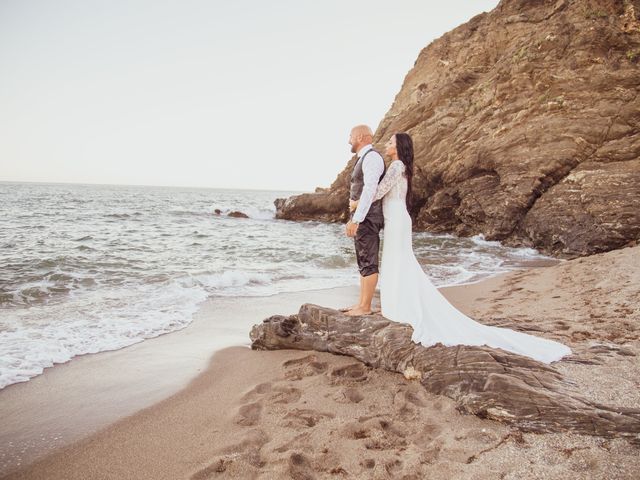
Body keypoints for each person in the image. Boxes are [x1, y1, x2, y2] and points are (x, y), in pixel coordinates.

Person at [351, 132, 571, 364]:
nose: (386, 144)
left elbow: (379, 190)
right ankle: (399, 304)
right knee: (398, 261)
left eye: (390, 142)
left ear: (398, 147)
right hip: (398, 219)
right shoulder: (401, 165)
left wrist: (356, 203)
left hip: (396, 219)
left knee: (397, 261)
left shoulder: (396, 166)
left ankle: (401, 306)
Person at [343, 125, 386, 316]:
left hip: (368, 218)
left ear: (360, 137)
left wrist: (357, 219)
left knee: (369, 260)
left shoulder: (372, 158)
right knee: (362, 259)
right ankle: (361, 303)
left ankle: (366, 307)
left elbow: (370, 189)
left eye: (351, 136)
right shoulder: (363, 158)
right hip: (363, 217)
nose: (349, 141)